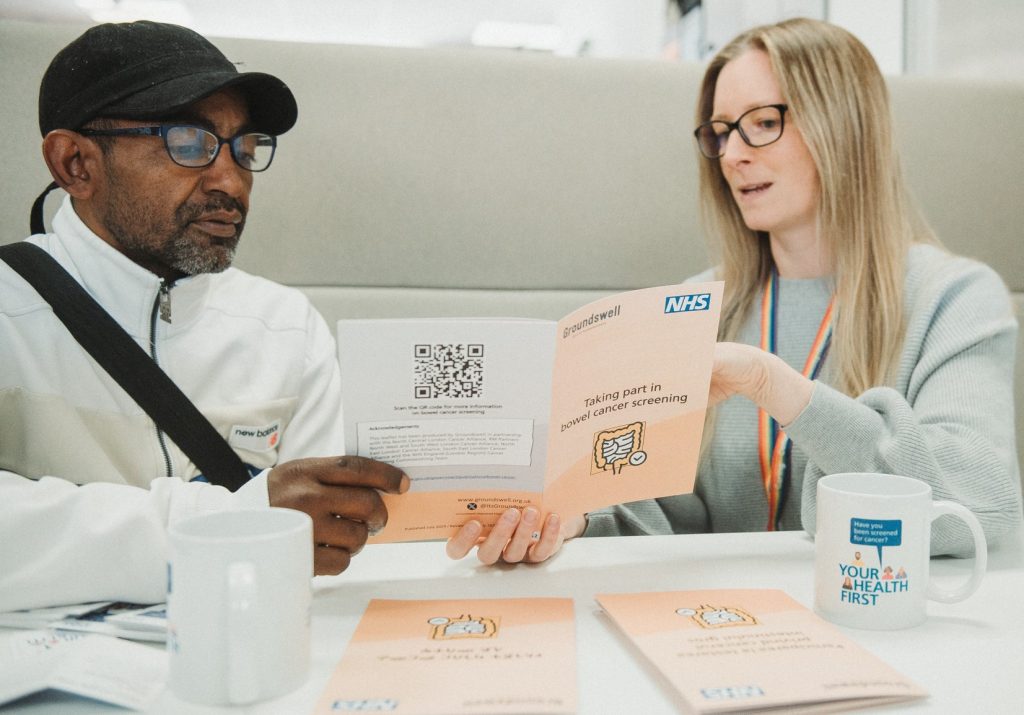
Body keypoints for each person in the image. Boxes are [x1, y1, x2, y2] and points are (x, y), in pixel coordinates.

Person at [449, 17, 1021, 564]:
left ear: (845, 126)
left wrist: (775, 386)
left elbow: (980, 500)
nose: (733, 154)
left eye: (764, 123)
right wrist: (574, 519)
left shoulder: (954, 299)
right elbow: (669, 510)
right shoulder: (694, 306)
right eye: (720, 132)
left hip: (869, 613)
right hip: (720, 616)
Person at [0, 21, 410, 613]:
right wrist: (232, 522)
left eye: (245, 148)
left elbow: (332, 546)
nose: (231, 181)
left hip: (252, 659)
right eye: (188, 143)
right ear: (75, 164)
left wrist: (486, 537)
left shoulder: (284, 327)